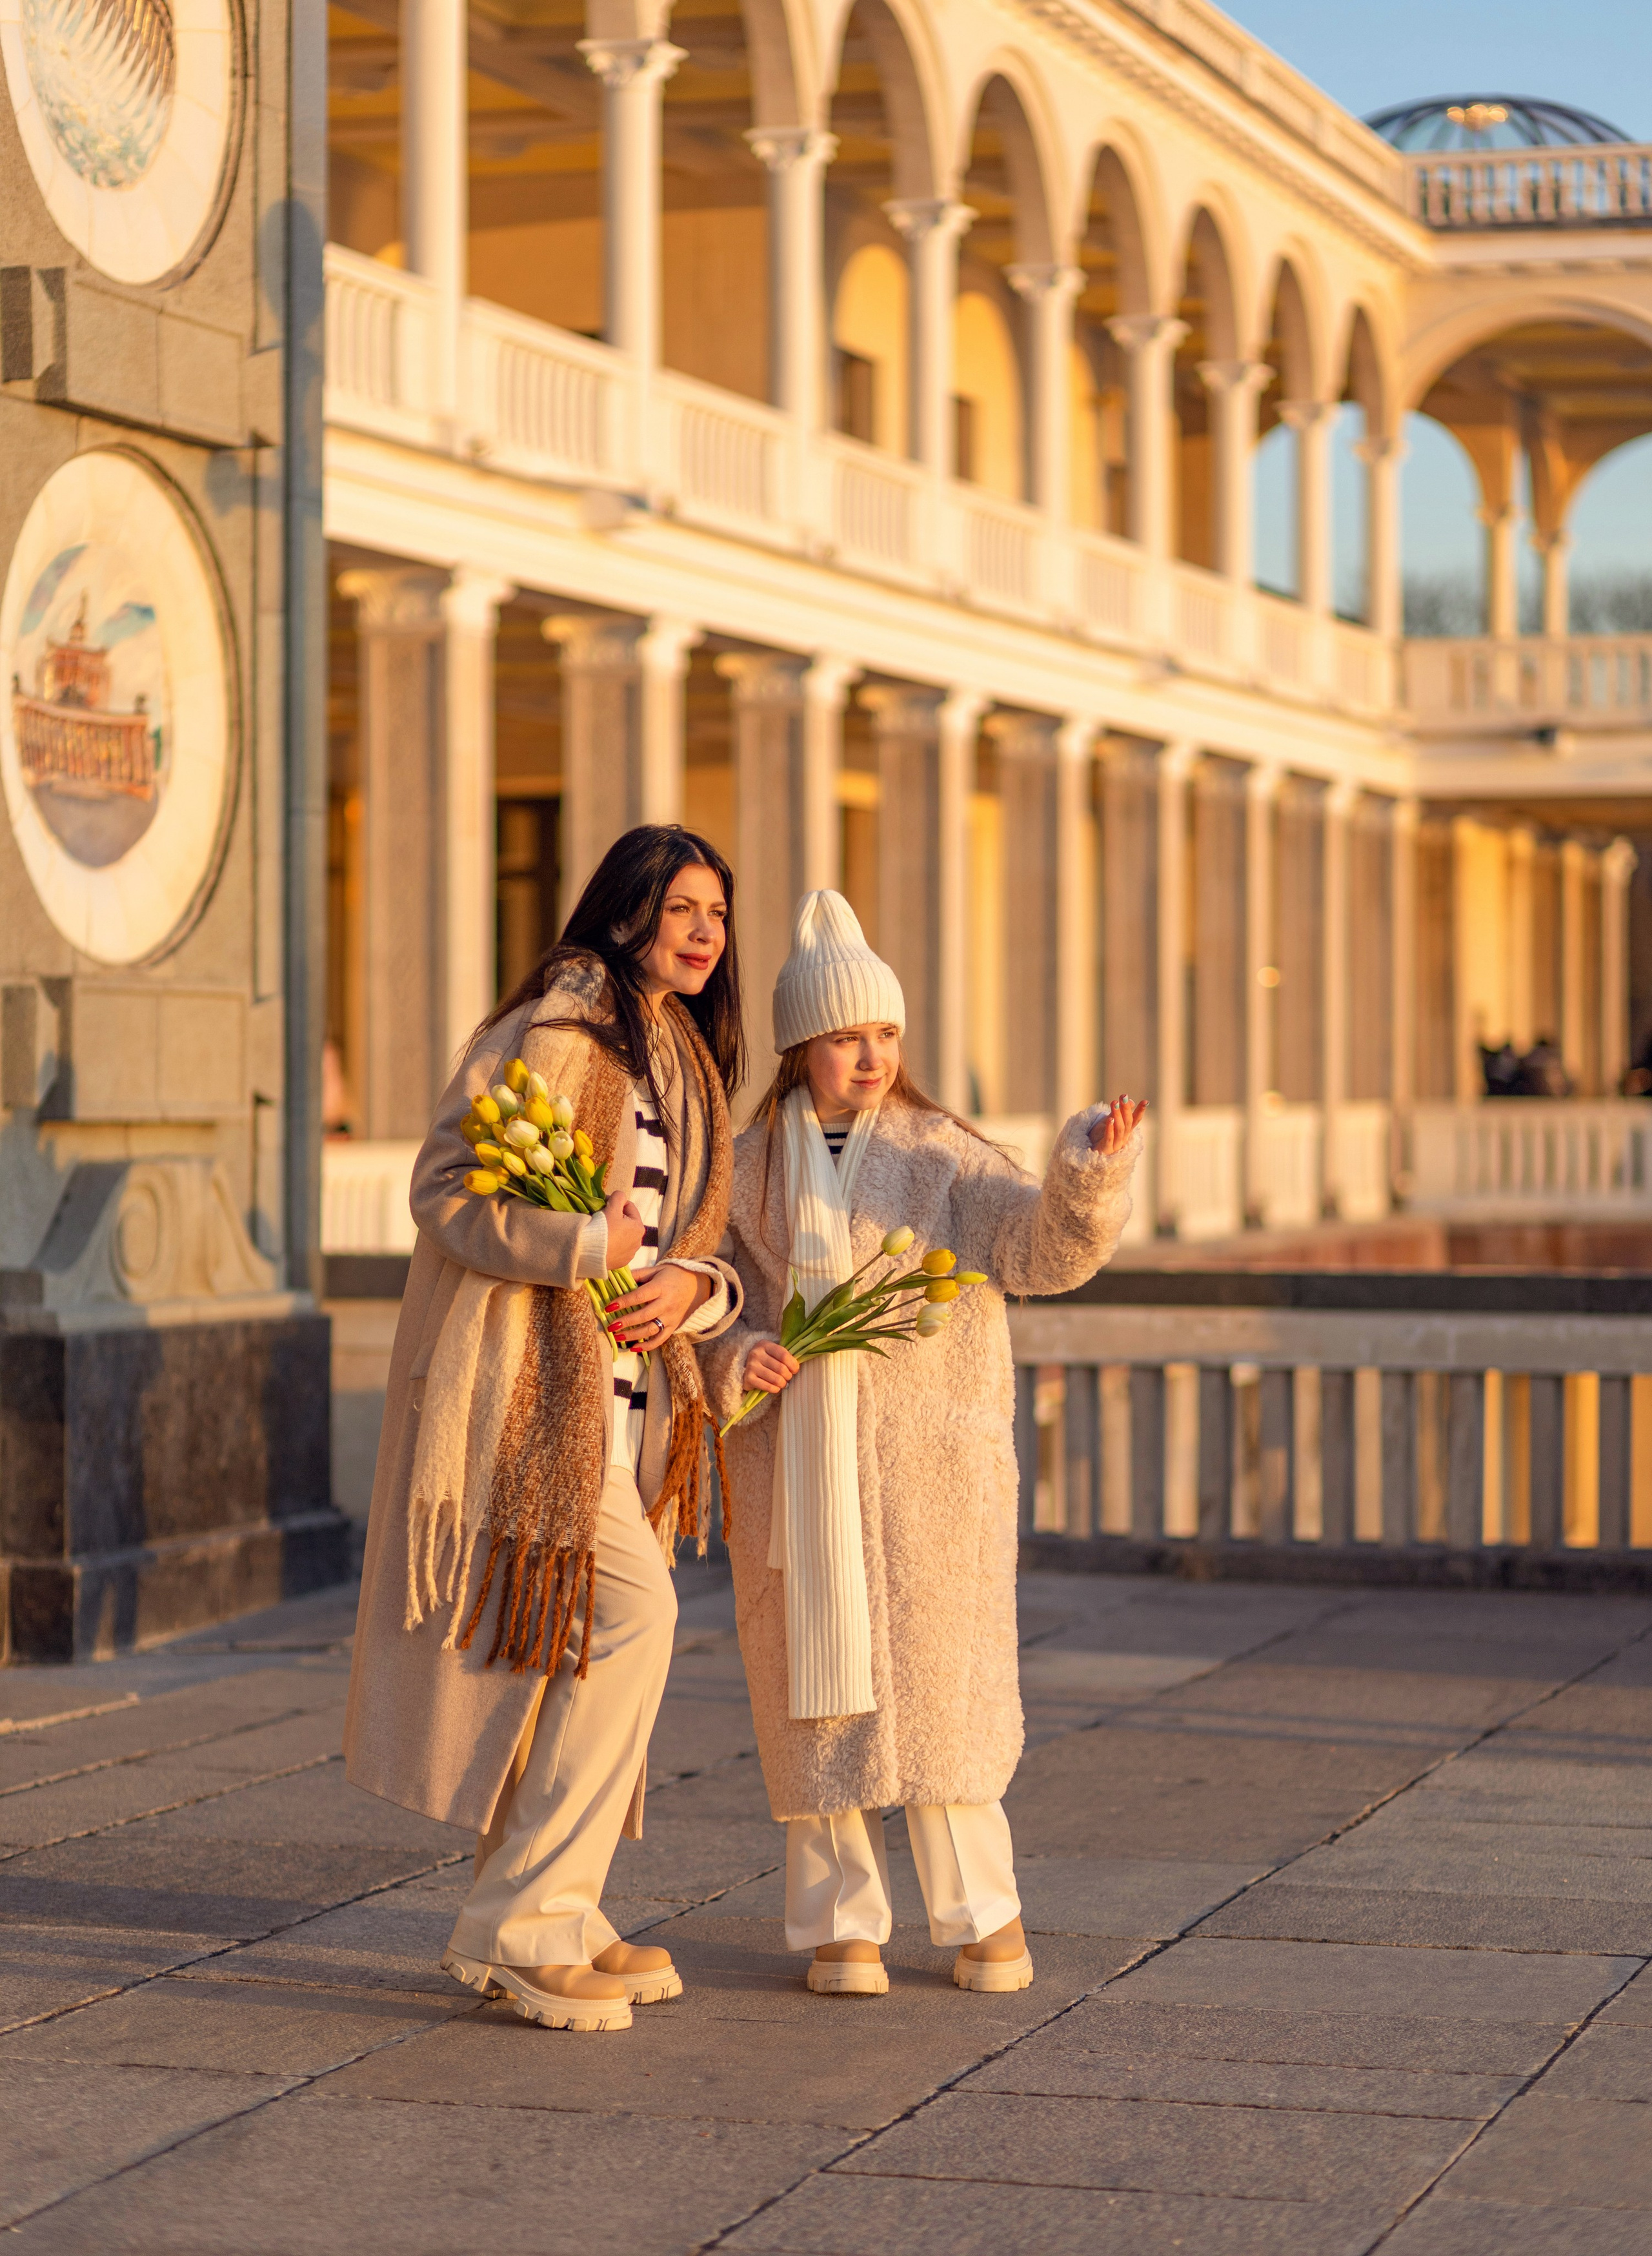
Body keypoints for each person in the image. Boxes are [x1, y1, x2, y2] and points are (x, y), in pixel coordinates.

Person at [698, 890, 1144, 1997]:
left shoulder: (945, 1157)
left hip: (927, 1480)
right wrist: (735, 1355)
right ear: (804, 1045)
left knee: (947, 1706)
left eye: (887, 1035)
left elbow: (1041, 1252)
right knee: (816, 1707)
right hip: (796, 1478)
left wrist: (1088, 1169)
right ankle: (839, 1925)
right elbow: (707, 1299)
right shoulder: (745, 1169)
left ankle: (981, 1914)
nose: (872, 1056)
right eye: (850, 1037)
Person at [343, 825, 746, 2033]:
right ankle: (520, 1922)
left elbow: (695, 1246)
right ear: (623, 910)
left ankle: (563, 1909)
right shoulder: (554, 1034)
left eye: (717, 914)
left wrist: (694, 1288)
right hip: (530, 1397)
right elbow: (445, 1188)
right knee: (635, 1619)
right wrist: (585, 1244)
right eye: (681, 907)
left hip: (626, 1405)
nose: (703, 932)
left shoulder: (684, 1059)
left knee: (582, 1651)